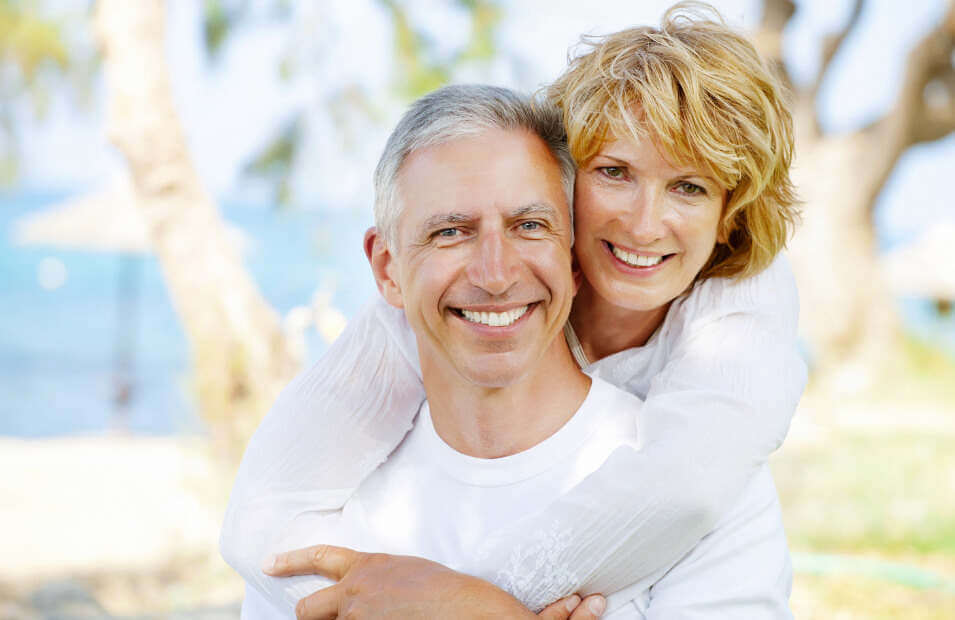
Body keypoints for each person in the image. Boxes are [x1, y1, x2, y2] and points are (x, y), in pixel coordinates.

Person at [221, 1, 805, 615]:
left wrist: (475, 608)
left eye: (689, 187)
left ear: (728, 218)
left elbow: (682, 488)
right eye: (614, 172)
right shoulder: (408, 324)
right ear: (566, 186)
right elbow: (263, 513)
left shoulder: (737, 336)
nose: (643, 222)